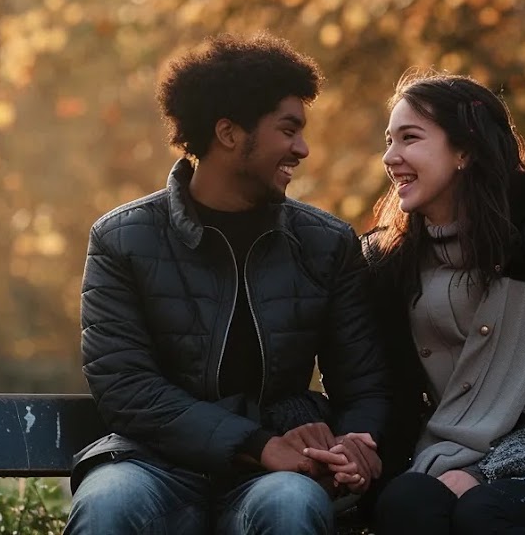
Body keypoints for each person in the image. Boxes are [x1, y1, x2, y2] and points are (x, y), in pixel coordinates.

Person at [65, 33, 387, 535]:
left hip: (274, 476)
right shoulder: (121, 239)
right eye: (288, 130)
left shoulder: (326, 244)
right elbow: (125, 385)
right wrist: (256, 443)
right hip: (150, 465)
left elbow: (363, 382)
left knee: (293, 507)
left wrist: (353, 444)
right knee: (107, 506)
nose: (302, 149)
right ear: (229, 133)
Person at [358, 71, 525, 534]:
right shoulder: (388, 263)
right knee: (405, 503)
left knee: (484, 512)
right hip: (434, 463)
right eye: (388, 141)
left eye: (410, 138)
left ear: (464, 151)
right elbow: (382, 390)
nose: (390, 157)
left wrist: (485, 472)